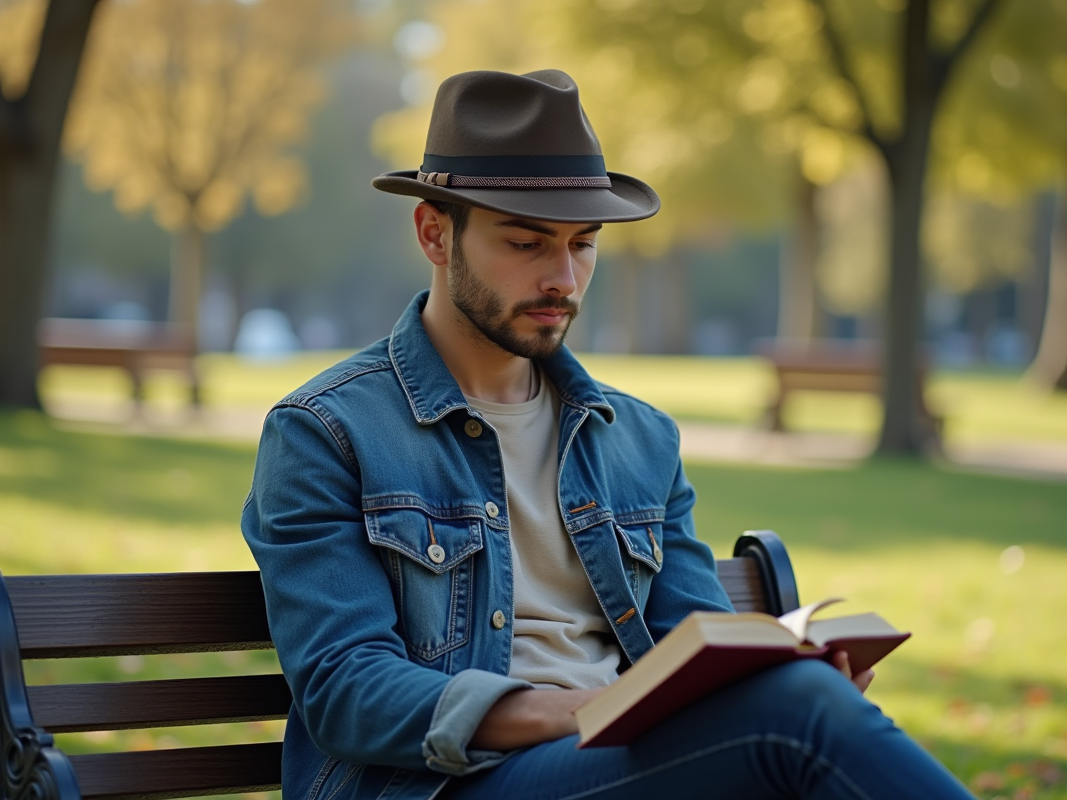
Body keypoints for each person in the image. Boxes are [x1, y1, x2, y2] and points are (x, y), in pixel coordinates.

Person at [242, 69, 975, 800]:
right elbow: (347, 687)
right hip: (438, 785)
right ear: (436, 232)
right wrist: (583, 710)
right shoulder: (326, 432)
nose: (563, 278)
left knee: (799, 705)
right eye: (526, 243)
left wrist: (771, 676)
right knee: (797, 719)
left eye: (583, 244)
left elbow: (697, 647)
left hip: (619, 768)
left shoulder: (639, 440)